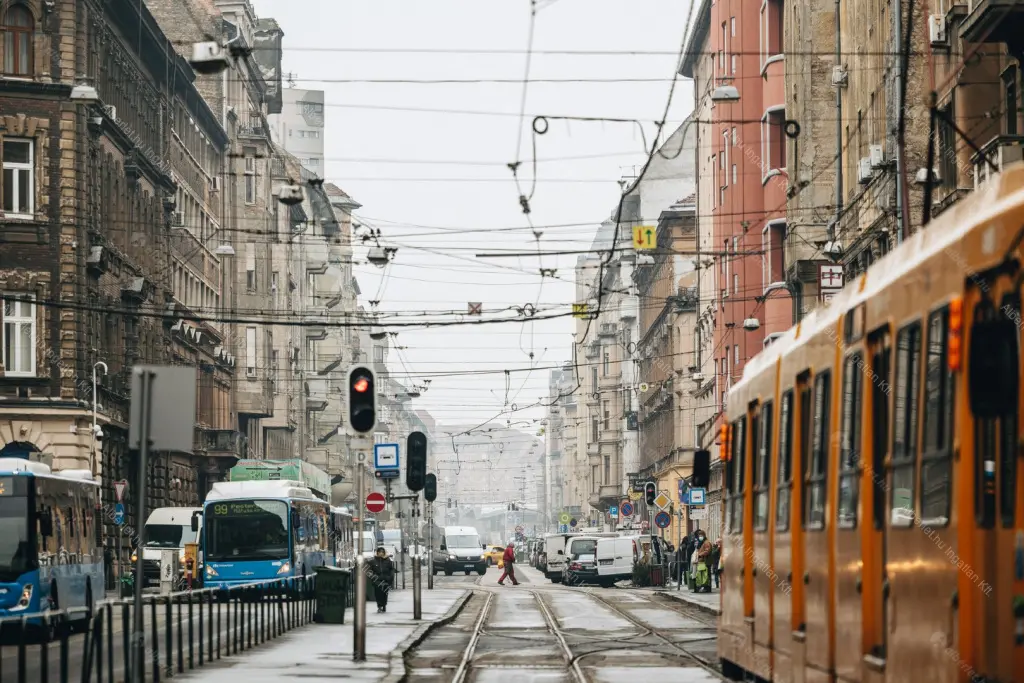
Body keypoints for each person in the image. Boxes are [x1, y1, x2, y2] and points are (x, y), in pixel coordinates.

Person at [369, 546, 395, 613]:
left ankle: (384, 605)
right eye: (379, 552)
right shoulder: (373, 561)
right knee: (378, 594)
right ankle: (379, 606)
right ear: (377, 553)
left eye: (382, 552)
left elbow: (391, 569)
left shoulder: (388, 560)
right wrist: (373, 576)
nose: (381, 553)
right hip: (377, 580)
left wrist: (390, 577)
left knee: (384, 593)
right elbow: (369, 570)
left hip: (385, 580)